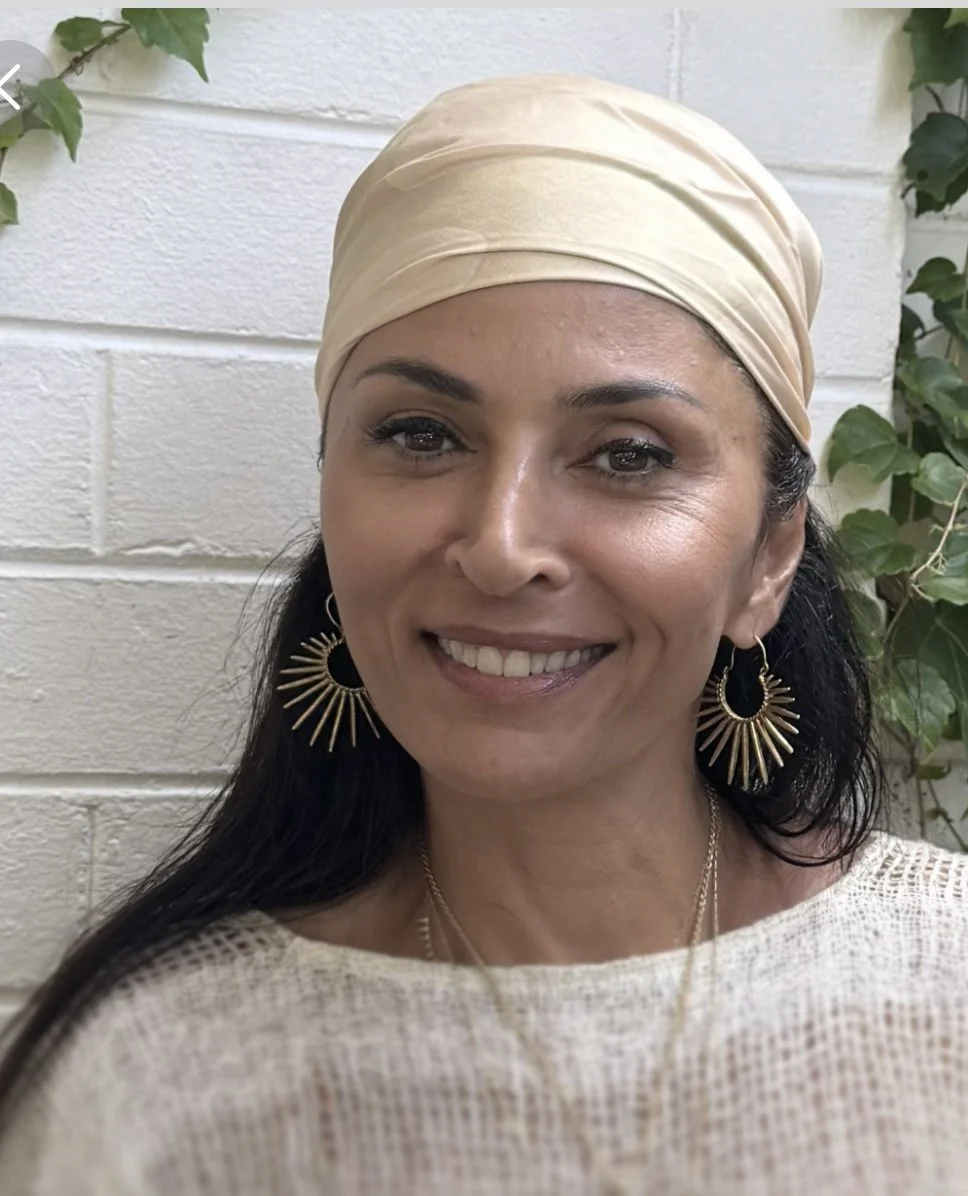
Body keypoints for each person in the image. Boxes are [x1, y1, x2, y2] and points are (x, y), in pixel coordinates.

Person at [0, 72, 966, 1196]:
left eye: (627, 453)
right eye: (420, 432)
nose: (501, 547)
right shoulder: (151, 1083)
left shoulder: (939, 980)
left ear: (769, 553)